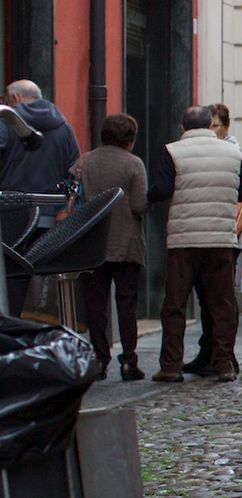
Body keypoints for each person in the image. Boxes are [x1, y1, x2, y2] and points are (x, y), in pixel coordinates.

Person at [148, 105, 242, 382]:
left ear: (183, 128)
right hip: (220, 238)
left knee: (175, 305)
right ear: (209, 125)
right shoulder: (233, 153)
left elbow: (163, 189)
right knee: (222, 304)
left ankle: (171, 366)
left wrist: (146, 197)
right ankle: (224, 363)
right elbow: (241, 189)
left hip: (184, 239)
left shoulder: (172, 151)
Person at [75, 112, 149, 380]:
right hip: (126, 242)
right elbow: (140, 204)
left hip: (93, 243)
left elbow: (73, 183)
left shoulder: (87, 160)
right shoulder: (134, 164)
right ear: (129, 139)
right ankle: (128, 361)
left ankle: (99, 359)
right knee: (126, 304)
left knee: (95, 303)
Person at [1, 79, 81, 315]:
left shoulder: (7, 120)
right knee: (46, 278)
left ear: (14, 98)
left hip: (11, 215)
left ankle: (12, 332)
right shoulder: (63, 125)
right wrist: (66, 207)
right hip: (51, 216)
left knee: (12, 279)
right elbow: (75, 169)